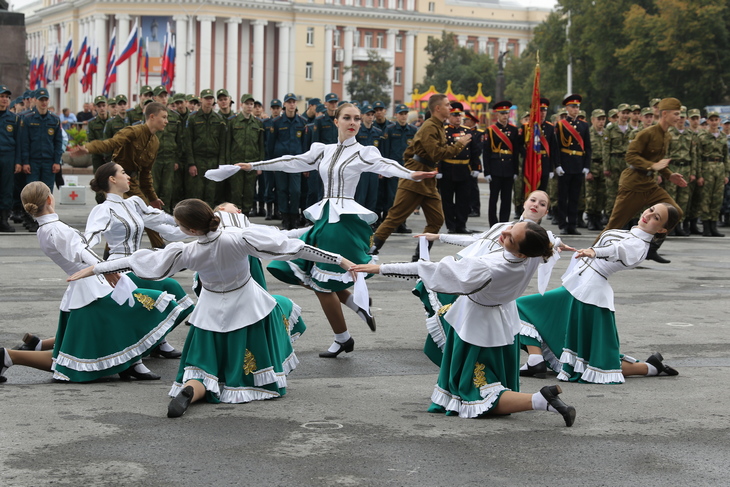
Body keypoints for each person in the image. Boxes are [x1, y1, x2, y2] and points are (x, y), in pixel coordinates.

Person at [68, 199, 354, 418]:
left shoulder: (189, 250)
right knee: (260, 338)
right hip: (248, 306)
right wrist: (338, 259)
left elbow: (139, 261)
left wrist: (96, 268)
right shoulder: (238, 238)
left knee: (204, 366)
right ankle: (247, 383)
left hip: (210, 311)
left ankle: (191, 391)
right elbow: (293, 248)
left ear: (191, 229)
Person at [237, 103, 437, 357]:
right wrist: (255, 165)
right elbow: (292, 162)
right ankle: (355, 306)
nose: (352, 122)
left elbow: (387, 165)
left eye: (356, 118)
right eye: (346, 118)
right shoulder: (324, 150)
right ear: (336, 121)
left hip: (342, 223)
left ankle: (343, 336)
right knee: (306, 272)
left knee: (321, 283)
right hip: (325, 218)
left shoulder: (364, 152)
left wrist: (411, 174)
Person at [351, 221, 576, 426]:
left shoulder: (489, 267)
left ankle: (540, 399)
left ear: (520, 251)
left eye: (509, 237)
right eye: (512, 227)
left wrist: (379, 268)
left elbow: (429, 269)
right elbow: (548, 238)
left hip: (478, 323)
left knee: (479, 392)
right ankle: (536, 399)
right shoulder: (534, 253)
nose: (504, 232)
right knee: (484, 381)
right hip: (503, 319)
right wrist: (557, 243)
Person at [0, 182, 193, 383]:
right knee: (72, 359)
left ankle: (132, 363)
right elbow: (80, 251)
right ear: (50, 199)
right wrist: (106, 270)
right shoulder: (55, 229)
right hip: (91, 291)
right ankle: (9, 356)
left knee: (72, 355)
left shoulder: (46, 228)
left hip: (88, 288)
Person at [518, 204, 681, 383]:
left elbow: (617, 250)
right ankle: (535, 360)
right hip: (579, 286)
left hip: (589, 294)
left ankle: (649, 368)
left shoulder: (639, 245)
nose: (648, 216)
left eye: (656, 218)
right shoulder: (632, 233)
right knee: (525, 309)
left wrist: (594, 251)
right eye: (650, 210)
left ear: (662, 229)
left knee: (591, 361)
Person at [84, 161, 193, 360]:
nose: (129, 177)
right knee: (166, 287)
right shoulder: (103, 209)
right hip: (120, 268)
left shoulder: (133, 203)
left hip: (139, 265)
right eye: (124, 172)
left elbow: (164, 223)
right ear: (112, 179)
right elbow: (90, 239)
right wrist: (97, 264)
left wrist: (195, 225)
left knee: (170, 289)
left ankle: (158, 339)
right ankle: (150, 342)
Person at [370, 94, 472, 259]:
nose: (450, 108)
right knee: (395, 216)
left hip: (427, 177)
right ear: (437, 108)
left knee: (437, 219)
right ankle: (371, 249)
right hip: (415, 178)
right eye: (447, 105)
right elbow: (435, 153)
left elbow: (411, 152)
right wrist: (459, 144)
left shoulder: (438, 126)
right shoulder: (430, 127)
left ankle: (420, 256)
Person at [70, 102, 169, 249]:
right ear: (152, 117)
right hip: (117, 181)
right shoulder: (133, 132)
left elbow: (146, 174)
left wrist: (153, 198)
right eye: (164, 117)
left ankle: (162, 250)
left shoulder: (155, 142)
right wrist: (88, 148)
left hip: (132, 182)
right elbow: (110, 143)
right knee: (121, 218)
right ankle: (109, 255)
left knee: (148, 215)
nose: (167, 121)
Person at [601, 98, 688, 263]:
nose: (679, 117)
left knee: (675, 212)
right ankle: (590, 255)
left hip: (650, 184)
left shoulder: (667, 136)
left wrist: (670, 175)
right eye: (676, 114)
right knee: (614, 226)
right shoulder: (647, 133)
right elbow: (630, 156)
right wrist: (652, 165)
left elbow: (659, 163)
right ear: (665, 114)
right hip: (633, 183)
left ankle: (650, 249)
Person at [266, 93, 308, 230]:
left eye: (293, 102)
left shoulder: (302, 122)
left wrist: (306, 164)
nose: (291, 104)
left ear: (296, 104)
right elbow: (270, 145)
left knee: (295, 191)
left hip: (296, 163)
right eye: (288, 102)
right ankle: (285, 217)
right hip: (281, 162)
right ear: (284, 105)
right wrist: (272, 163)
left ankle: (294, 215)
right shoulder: (276, 122)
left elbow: (305, 145)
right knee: (282, 190)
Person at [184, 89, 227, 208]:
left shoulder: (219, 119)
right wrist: (191, 163)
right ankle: (197, 218)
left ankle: (208, 219)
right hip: (198, 159)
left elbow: (223, 143)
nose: (209, 101)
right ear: (201, 100)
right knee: (197, 192)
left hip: (213, 160)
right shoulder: (192, 118)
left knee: (211, 192)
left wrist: (221, 164)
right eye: (206, 98)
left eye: (210, 98)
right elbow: (188, 142)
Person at [226, 93, 265, 214]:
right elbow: (228, 144)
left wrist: (260, 165)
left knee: (249, 192)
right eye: (247, 104)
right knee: (236, 192)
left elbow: (261, 145)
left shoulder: (257, 123)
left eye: (251, 104)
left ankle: (246, 215)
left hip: (251, 163)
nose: (249, 106)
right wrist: (228, 163)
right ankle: (236, 216)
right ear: (241, 105)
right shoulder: (233, 121)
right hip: (236, 162)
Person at [484, 100, 519, 226]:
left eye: (507, 113)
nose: (505, 115)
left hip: (509, 168)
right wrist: (487, 171)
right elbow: (486, 152)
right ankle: (493, 223)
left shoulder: (514, 130)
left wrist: (516, 171)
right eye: (502, 113)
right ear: (497, 115)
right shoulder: (491, 130)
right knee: (493, 198)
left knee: (506, 198)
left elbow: (516, 152)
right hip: (495, 167)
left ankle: (504, 223)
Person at [151, 85, 183, 212]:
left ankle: (166, 212)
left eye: (165, 96)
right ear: (155, 98)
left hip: (170, 158)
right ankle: (152, 213)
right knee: (153, 188)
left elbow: (179, 140)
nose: (164, 99)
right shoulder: (150, 116)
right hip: (154, 158)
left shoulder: (174, 117)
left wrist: (177, 159)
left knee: (168, 188)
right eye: (161, 96)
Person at [697, 111, 729, 237]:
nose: (714, 122)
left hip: (719, 168)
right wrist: (699, 174)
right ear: (708, 121)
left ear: (719, 121)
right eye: (712, 120)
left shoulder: (722, 137)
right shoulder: (702, 136)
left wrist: (726, 173)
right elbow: (698, 156)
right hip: (706, 167)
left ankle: (713, 225)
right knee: (706, 198)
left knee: (717, 198)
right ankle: (706, 226)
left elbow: (726, 156)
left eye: (716, 120)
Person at [0, 84, 22, 233]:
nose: (5, 99)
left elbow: (19, 142)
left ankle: (3, 220)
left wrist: (18, 162)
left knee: (6, 189)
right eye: (2, 96)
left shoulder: (13, 119)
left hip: (7, 157)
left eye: (7, 97)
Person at [585, 109, 607, 230]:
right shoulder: (588, 133)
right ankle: (590, 218)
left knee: (602, 194)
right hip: (592, 165)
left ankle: (598, 217)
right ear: (593, 120)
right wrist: (587, 170)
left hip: (603, 167)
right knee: (591, 195)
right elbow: (585, 153)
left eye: (603, 119)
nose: (601, 122)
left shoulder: (606, 134)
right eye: (599, 119)